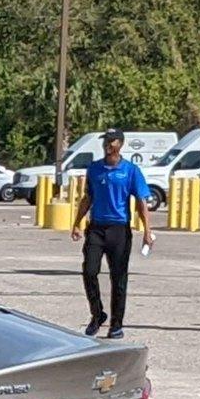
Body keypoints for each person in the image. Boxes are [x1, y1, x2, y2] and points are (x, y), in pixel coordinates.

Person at [71, 129, 153, 339]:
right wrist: (77, 222)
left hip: (119, 230)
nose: (107, 144)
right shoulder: (95, 169)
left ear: (120, 144)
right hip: (97, 228)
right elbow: (88, 197)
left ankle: (116, 324)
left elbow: (142, 202)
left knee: (119, 278)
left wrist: (147, 232)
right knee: (89, 271)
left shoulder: (130, 171)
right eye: (105, 141)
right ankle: (97, 314)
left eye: (111, 141)